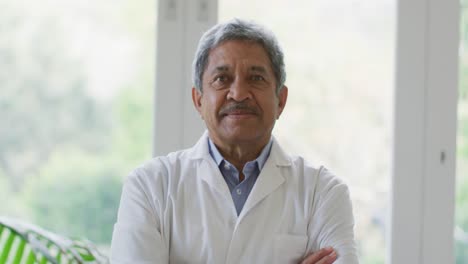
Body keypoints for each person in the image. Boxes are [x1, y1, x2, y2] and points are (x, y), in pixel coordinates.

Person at [110, 19, 359, 264]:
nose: (239, 93)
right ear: (198, 100)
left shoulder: (323, 192)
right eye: (221, 79)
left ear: (280, 100)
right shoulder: (150, 186)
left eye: (256, 78)